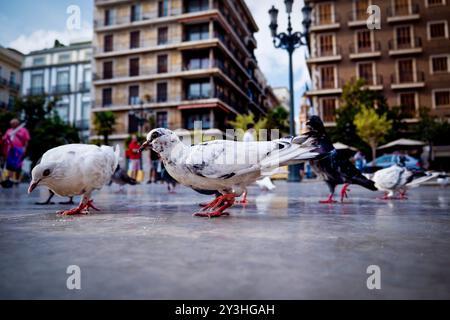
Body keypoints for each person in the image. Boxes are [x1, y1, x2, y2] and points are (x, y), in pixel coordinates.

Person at [2, 119, 30, 185]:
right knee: (9, 164)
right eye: (11, 124)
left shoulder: (23, 130)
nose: (12, 125)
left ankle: (17, 180)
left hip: (19, 149)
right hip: (10, 149)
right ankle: (9, 179)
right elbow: (4, 138)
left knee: (18, 164)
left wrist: (24, 149)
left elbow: (26, 140)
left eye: (13, 123)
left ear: (17, 123)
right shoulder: (9, 130)